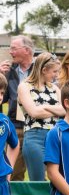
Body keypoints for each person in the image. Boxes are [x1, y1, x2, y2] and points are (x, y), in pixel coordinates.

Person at [17, 53, 66, 181]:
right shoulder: (24, 86)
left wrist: (44, 107)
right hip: (35, 138)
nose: (57, 75)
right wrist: (55, 109)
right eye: (54, 71)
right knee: (38, 181)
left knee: (61, 179)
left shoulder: (54, 88)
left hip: (55, 137)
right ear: (44, 70)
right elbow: (34, 113)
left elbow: (64, 110)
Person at [0, 35, 34, 181]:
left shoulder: (42, 68)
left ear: (26, 50)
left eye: (14, 48)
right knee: (14, 174)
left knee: (40, 174)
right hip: (16, 126)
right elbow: (2, 99)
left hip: (38, 127)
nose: (10, 52)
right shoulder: (8, 71)